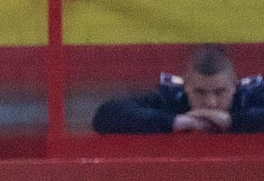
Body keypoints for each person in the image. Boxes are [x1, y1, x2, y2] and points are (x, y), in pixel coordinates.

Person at [92, 45, 264, 134]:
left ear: (235, 85)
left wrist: (233, 121)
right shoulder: (172, 99)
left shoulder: (248, 98)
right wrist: (174, 122)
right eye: (200, 92)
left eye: (220, 92)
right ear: (186, 85)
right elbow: (105, 115)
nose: (211, 102)